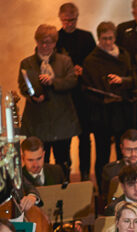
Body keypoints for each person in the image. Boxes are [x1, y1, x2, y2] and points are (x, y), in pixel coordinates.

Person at [18, 24, 80, 174]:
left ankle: (64, 194)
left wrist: (53, 82)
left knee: (63, 162)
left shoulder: (64, 61)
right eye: (42, 42)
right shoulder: (27, 63)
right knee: (39, 164)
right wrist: (33, 97)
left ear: (55, 43)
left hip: (62, 120)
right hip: (37, 121)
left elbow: (72, 81)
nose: (45, 46)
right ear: (36, 41)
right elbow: (23, 86)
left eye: (49, 42)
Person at [82, 22, 136, 185]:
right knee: (102, 153)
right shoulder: (91, 60)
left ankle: (127, 185)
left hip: (122, 112)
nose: (107, 42)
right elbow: (87, 88)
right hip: (103, 114)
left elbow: (135, 79)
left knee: (124, 153)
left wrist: (123, 81)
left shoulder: (124, 55)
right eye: (104, 39)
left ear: (115, 37)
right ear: (98, 39)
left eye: (110, 38)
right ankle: (103, 189)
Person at [56, 2, 96, 181]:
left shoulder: (86, 37)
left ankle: (86, 174)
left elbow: (94, 61)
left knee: (84, 137)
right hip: (64, 96)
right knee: (64, 139)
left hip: (83, 95)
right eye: (65, 20)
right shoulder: (56, 38)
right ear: (60, 19)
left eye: (72, 20)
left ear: (77, 18)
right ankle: (65, 174)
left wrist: (84, 70)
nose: (69, 24)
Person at [100, 129, 137, 201]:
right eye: (128, 149)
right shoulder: (110, 171)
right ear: (122, 148)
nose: (133, 154)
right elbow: (106, 200)